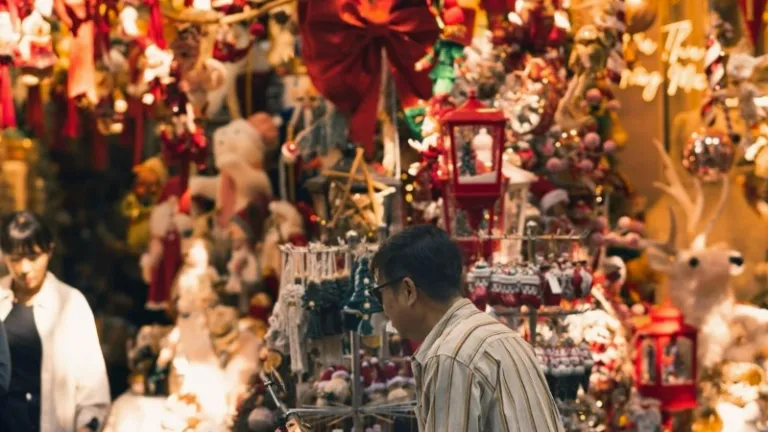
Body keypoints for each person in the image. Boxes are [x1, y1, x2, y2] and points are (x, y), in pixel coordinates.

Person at [370, 225, 564, 431]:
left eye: (379, 293)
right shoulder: (506, 338)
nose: (382, 306)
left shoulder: (450, 356)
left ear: (408, 290)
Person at [0, 211, 110, 432]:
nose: (24, 269)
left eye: (33, 257)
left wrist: (86, 426)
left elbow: (92, 386)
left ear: (50, 250)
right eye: (15, 258)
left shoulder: (71, 304)